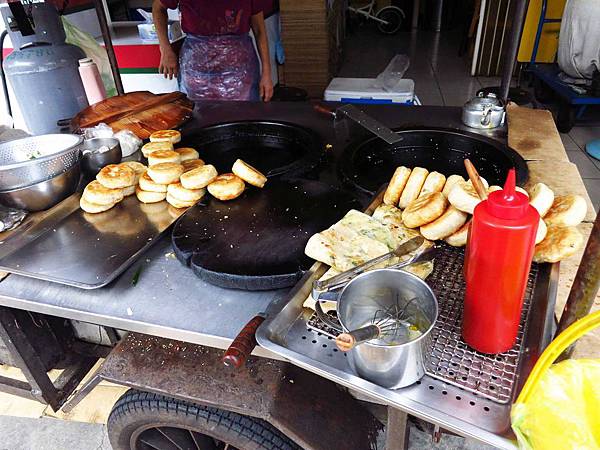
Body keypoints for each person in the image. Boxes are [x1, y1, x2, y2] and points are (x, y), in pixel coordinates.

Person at [152, 0, 273, 102]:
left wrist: (267, 73)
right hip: (196, 69)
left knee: (241, 117)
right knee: (198, 118)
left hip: (240, 71)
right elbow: (158, 7)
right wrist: (165, 50)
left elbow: (259, 30)